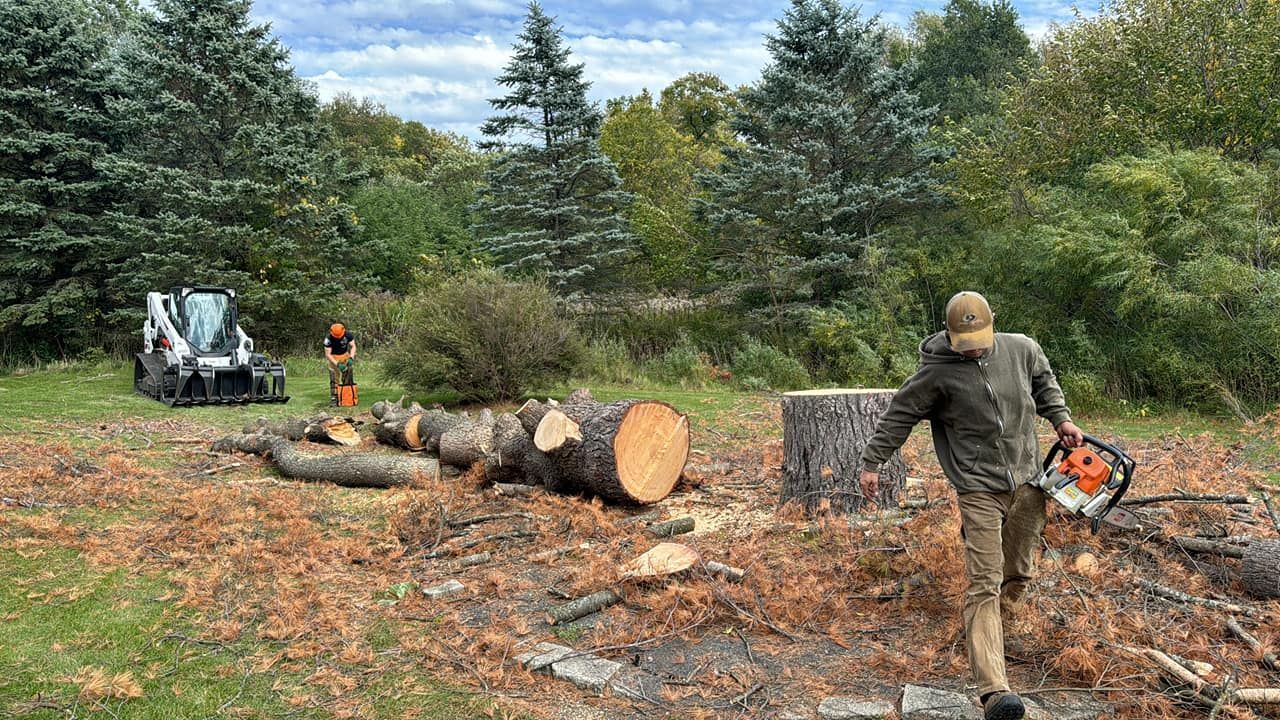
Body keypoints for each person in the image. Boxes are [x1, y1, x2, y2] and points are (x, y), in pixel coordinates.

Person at [857, 291, 1084, 720]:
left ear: (993, 324)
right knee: (985, 580)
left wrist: (1061, 418)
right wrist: (873, 462)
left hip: (1029, 481)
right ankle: (994, 689)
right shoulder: (936, 373)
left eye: (980, 338)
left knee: (1018, 573)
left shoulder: (1021, 347)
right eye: (965, 342)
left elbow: (1043, 379)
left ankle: (990, 634)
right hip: (978, 488)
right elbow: (899, 415)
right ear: (949, 333)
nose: (974, 348)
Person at [324, 322, 357, 406]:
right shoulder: (328, 339)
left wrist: (351, 357)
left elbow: (353, 346)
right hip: (333, 357)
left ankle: (347, 396)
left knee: (348, 375)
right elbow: (328, 354)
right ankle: (334, 398)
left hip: (345, 355)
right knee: (334, 378)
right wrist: (337, 364)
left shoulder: (348, 335)